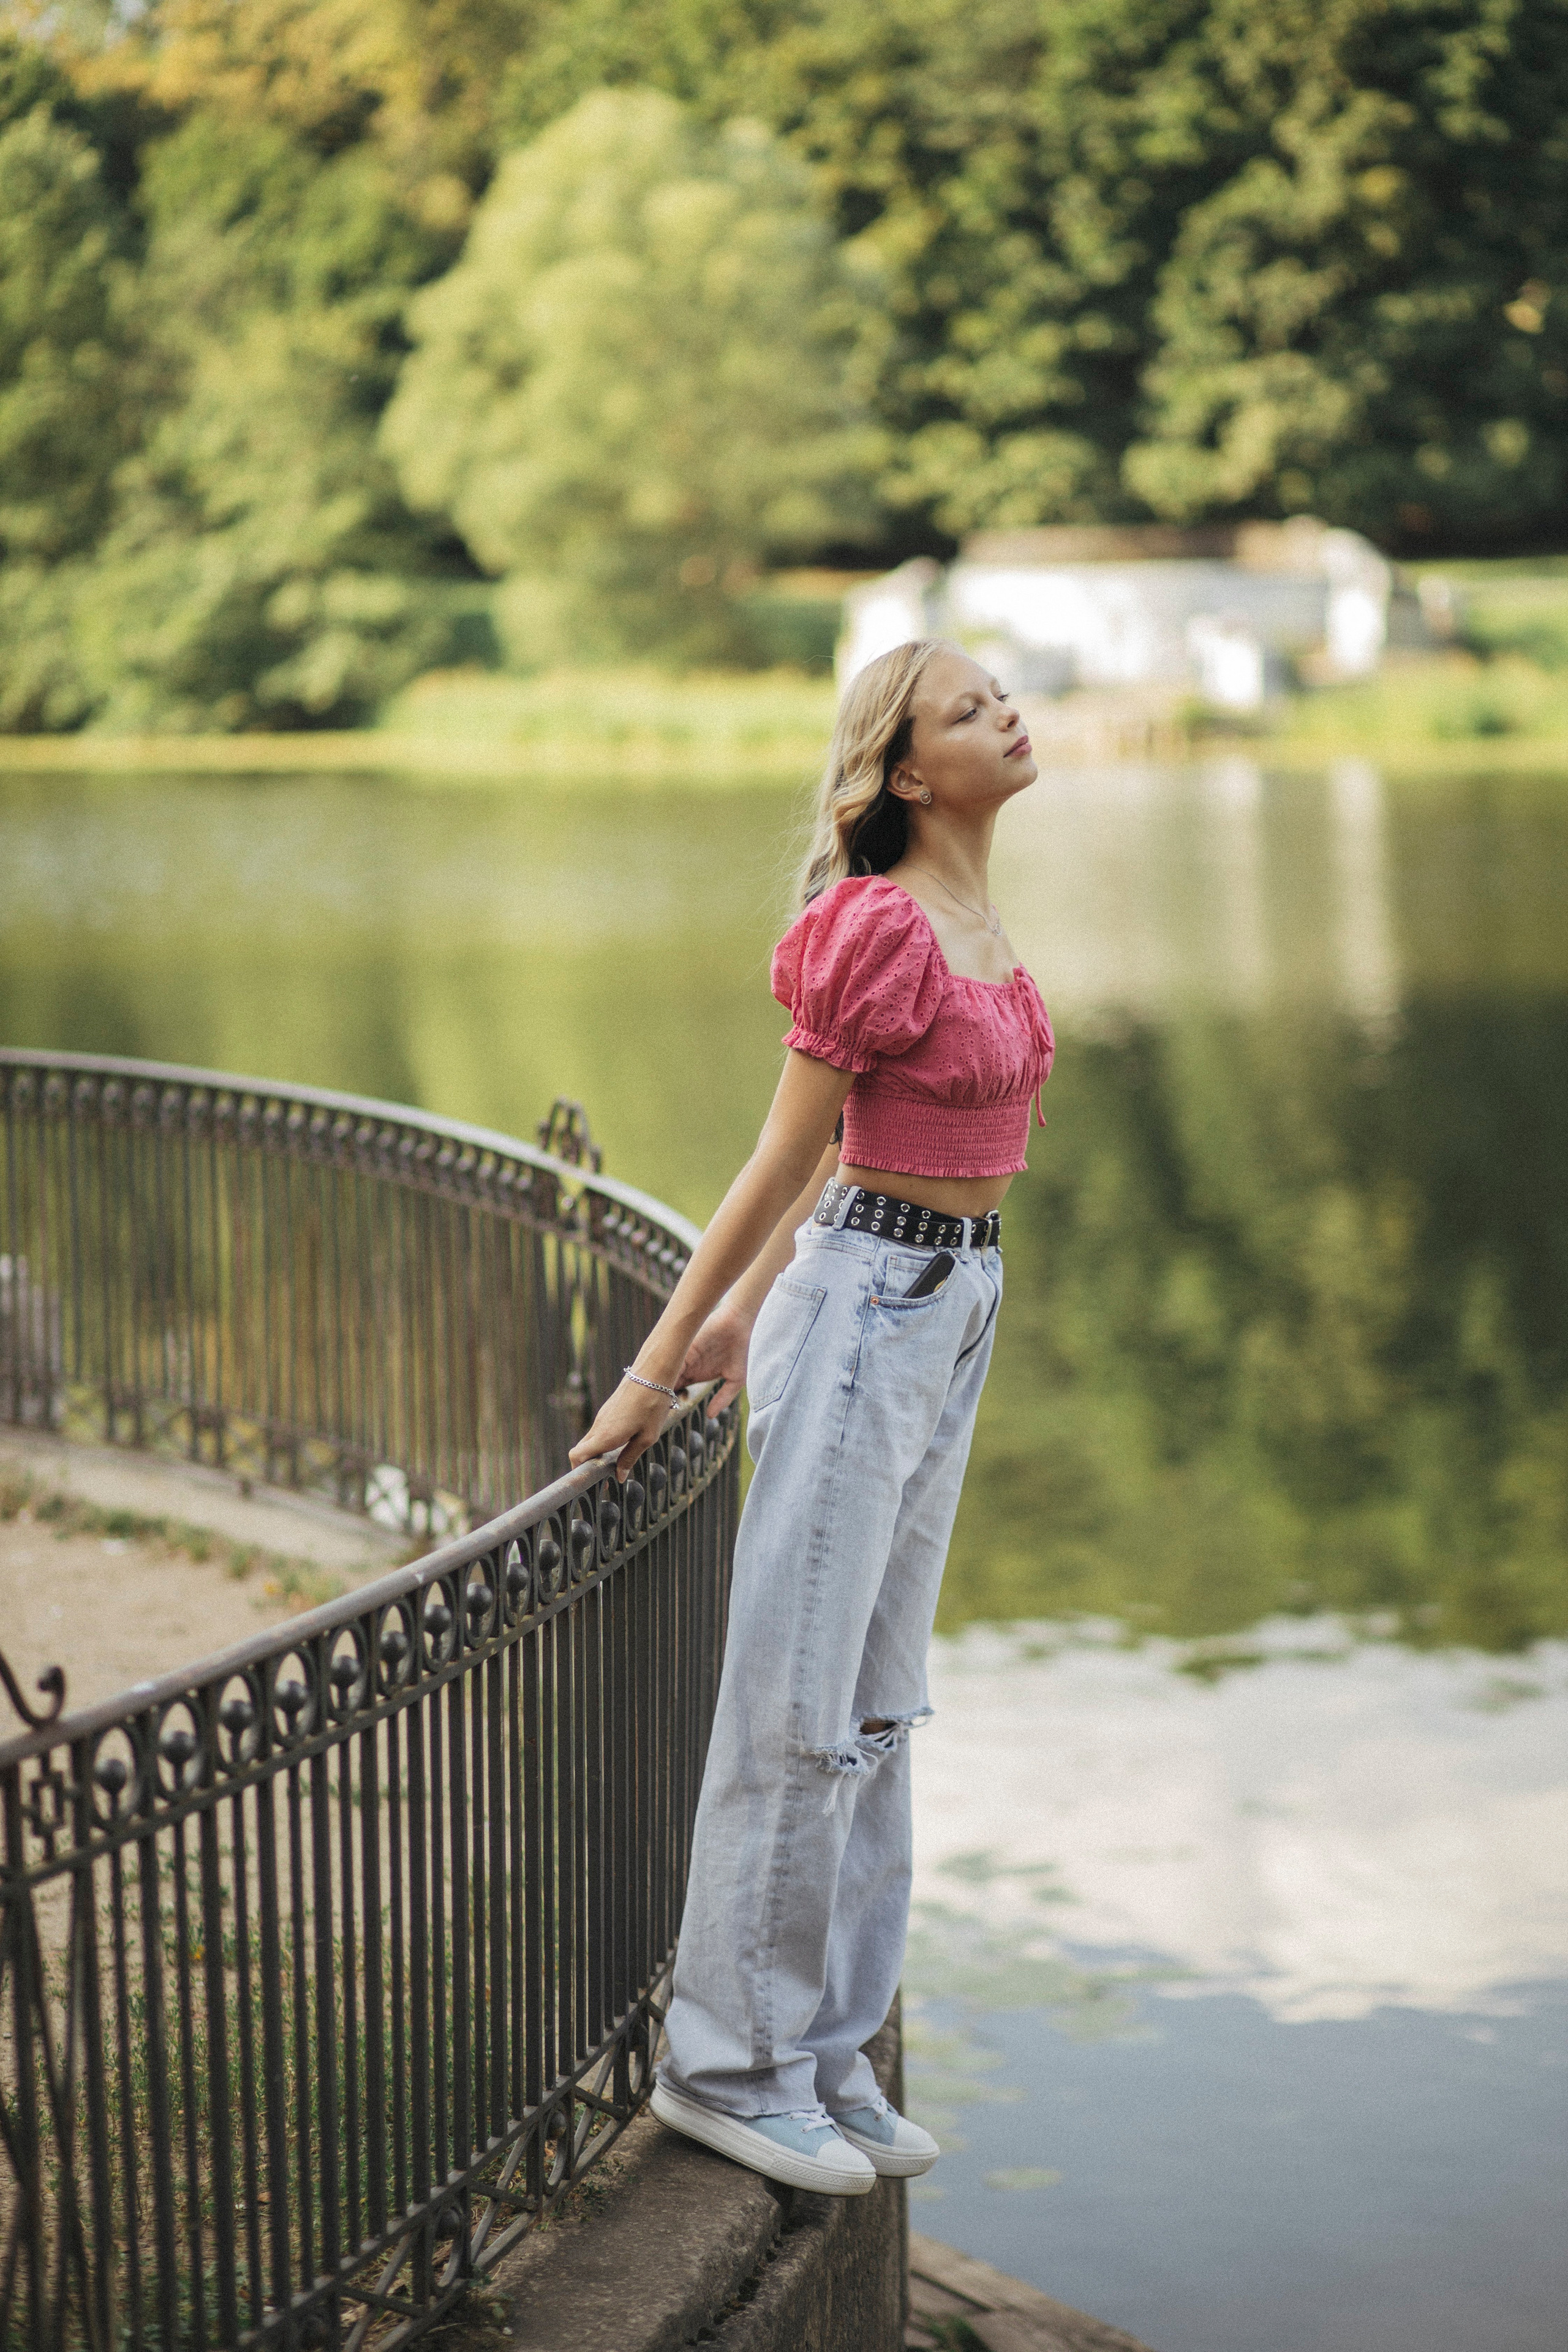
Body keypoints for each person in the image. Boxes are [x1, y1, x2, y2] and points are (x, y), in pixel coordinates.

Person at [568, 638, 1053, 2196]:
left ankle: (827, 2052)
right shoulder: (876, 925)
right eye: (966, 710)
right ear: (905, 771)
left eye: (1000, 695)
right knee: (796, 1697)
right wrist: (661, 1365)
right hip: (867, 1311)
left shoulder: (977, 922)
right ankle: (725, 2066)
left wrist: (740, 1316)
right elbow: (786, 1158)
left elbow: (856, 1155)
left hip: (950, 1304)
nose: (1005, 715)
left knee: (879, 1703)